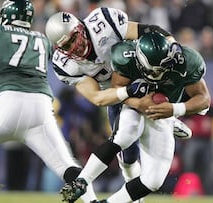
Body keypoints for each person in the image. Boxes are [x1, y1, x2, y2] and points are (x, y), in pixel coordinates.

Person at [0, 1, 98, 203]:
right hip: (42, 108)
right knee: (67, 167)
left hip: (8, 103)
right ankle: (94, 201)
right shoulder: (42, 39)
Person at [44, 8, 192, 198]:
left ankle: (167, 118)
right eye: (66, 46)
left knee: (127, 133)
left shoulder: (103, 23)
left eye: (74, 39)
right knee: (128, 156)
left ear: (80, 28)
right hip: (115, 93)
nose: (74, 47)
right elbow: (97, 98)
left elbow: (150, 30)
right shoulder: (64, 64)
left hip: (139, 74)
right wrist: (128, 92)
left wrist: (173, 44)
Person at [60, 31, 211, 203]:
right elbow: (118, 90)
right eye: (155, 70)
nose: (159, 74)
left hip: (164, 112)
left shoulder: (186, 60)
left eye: (163, 69)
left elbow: (204, 99)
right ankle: (82, 180)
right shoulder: (125, 56)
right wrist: (138, 104)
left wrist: (174, 109)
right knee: (125, 135)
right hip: (135, 105)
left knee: (153, 180)